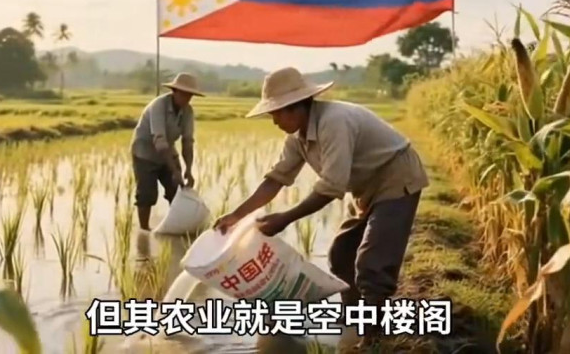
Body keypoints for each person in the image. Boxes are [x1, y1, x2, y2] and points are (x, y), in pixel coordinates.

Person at [213, 67, 429, 350]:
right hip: (365, 189)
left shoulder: (334, 122)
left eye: (276, 113)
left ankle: (373, 339)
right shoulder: (298, 137)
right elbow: (276, 179)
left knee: (373, 263)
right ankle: (354, 317)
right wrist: (236, 215)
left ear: (295, 107)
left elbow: (331, 186)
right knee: (341, 253)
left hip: (396, 176)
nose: (274, 120)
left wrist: (286, 218)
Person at [130, 72, 205, 232]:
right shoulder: (158, 106)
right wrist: (174, 170)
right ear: (174, 91)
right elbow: (160, 141)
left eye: (190, 95)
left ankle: (176, 227)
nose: (187, 99)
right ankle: (145, 231)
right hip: (145, 152)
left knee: (177, 189)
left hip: (168, 150)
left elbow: (187, 141)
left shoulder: (187, 111)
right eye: (184, 94)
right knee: (147, 194)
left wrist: (188, 170)